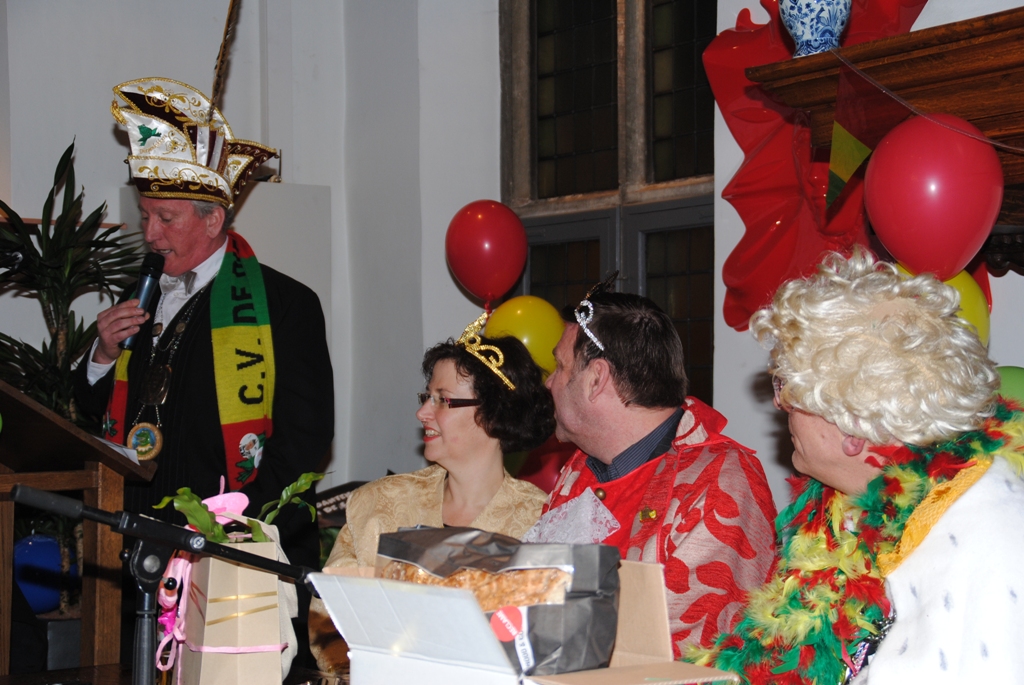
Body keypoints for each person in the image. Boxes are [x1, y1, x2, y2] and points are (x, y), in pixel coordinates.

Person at [74, 79, 333, 662]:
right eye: (146, 215)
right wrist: (103, 355)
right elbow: (94, 411)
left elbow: (305, 438)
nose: (150, 234)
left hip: (235, 545)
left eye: (166, 218)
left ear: (213, 220)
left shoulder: (285, 305)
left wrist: (230, 527)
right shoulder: (140, 292)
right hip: (141, 542)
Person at [693, 249, 1024, 684]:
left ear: (852, 426)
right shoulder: (842, 510)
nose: (779, 405)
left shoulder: (986, 536)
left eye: (788, 390)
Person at [524, 279, 777, 657]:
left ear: (596, 380)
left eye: (560, 367)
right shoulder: (580, 468)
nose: (549, 382)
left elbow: (686, 656)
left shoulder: (720, 482)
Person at [308, 315, 554, 672]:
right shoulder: (379, 504)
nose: (422, 412)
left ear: (494, 413)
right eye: (427, 396)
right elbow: (327, 623)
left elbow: (544, 648)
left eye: (443, 400)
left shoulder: (541, 523)